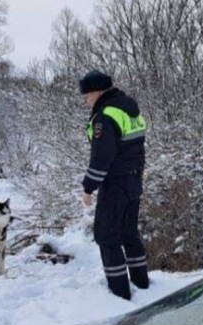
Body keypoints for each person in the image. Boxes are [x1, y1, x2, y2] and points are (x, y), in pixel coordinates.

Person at [79, 69, 149, 300]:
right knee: (129, 233)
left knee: (106, 236)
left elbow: (102, 157)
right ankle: (142, 284)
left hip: (115, 183)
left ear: (98, 91)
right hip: (134, 180)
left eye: (87, 95)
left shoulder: (105, 116)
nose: (86, 100)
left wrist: (89, 187)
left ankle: (119, 296)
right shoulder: (128, 108)